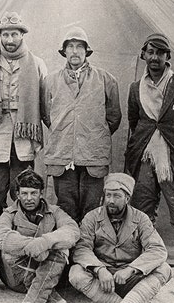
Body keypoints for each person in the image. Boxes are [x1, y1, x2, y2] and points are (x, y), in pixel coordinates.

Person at [123, 33, 174, 295]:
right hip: (144, 157)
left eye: (160, 53)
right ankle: (144, 270)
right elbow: (134, 124)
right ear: (143, 55)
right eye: (150, 52)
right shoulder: (135, 89)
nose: (155, 57)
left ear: (168, 57)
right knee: (142, 215)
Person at [69, 173, 171, 303]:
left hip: (130, 277)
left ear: (127, 198)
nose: (110, 200)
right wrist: (99, 269)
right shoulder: (92, 217)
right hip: (103, 278)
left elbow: (157, 249)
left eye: (116, 196)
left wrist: (131, 270)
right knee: (76, 273)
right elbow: (82, 248)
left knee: (164, 269)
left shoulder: (141, 219)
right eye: (108, 195)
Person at [43, 26, 121, 223]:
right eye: (70, 46)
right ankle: (67, 251)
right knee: (66, 207)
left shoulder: (106, 80)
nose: (75, 51)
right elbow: (47, 116)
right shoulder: (50, 81)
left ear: (87, 51)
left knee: (92, 208)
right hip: (62, 155)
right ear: (64, 51)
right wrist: (66, 132)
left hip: (93, 155)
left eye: (80, 46)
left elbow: (114, 117)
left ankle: (88, 251)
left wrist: (93, 134)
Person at [0, 12, 48, 217]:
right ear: (0, 36)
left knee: (24, 192)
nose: (9, 40)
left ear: (22, 35)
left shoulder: (37, 64)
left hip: (24, 136)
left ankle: (21, 231)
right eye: (5, 35)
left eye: (14, 34)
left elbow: (44, 103)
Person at [0, 168, 80, 303]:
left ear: (41, 193)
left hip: (46, 270)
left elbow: (73, 230)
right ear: (17, 194)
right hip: (18, 276)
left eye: (34, 193)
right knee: (8, 252)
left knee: (61, 249)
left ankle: (34, 301)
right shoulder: (9, 213)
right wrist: (31, 245)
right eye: (24, 193)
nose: (29, 198)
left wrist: (45, 242)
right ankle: (48, 297)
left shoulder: (55, 211)